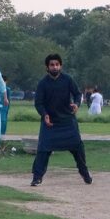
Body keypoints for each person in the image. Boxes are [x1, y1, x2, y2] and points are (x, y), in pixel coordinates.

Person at [31, 54, 91, 187]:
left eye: (57, 64)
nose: (55, 67)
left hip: (68, 121)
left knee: (78, 147)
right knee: (43, 149)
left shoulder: (68, 79)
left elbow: (77, 94)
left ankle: (84, 172)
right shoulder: (43, 83)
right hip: (50, 122)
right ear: (47, 67)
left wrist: (76, 104)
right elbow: (38, 103)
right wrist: (44, 114)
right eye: (52, 65)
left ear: (61, 66)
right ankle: (37, 177)